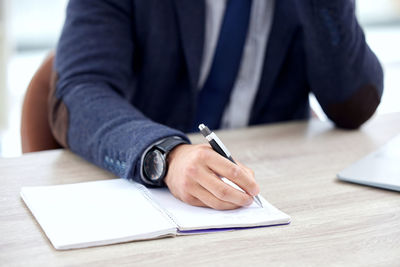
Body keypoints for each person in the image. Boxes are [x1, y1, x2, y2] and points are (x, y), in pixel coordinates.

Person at [49, 0, 383, 210]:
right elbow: (80, 92)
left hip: (278, 198)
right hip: (149, 201)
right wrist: (166, 155)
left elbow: (353, 106)